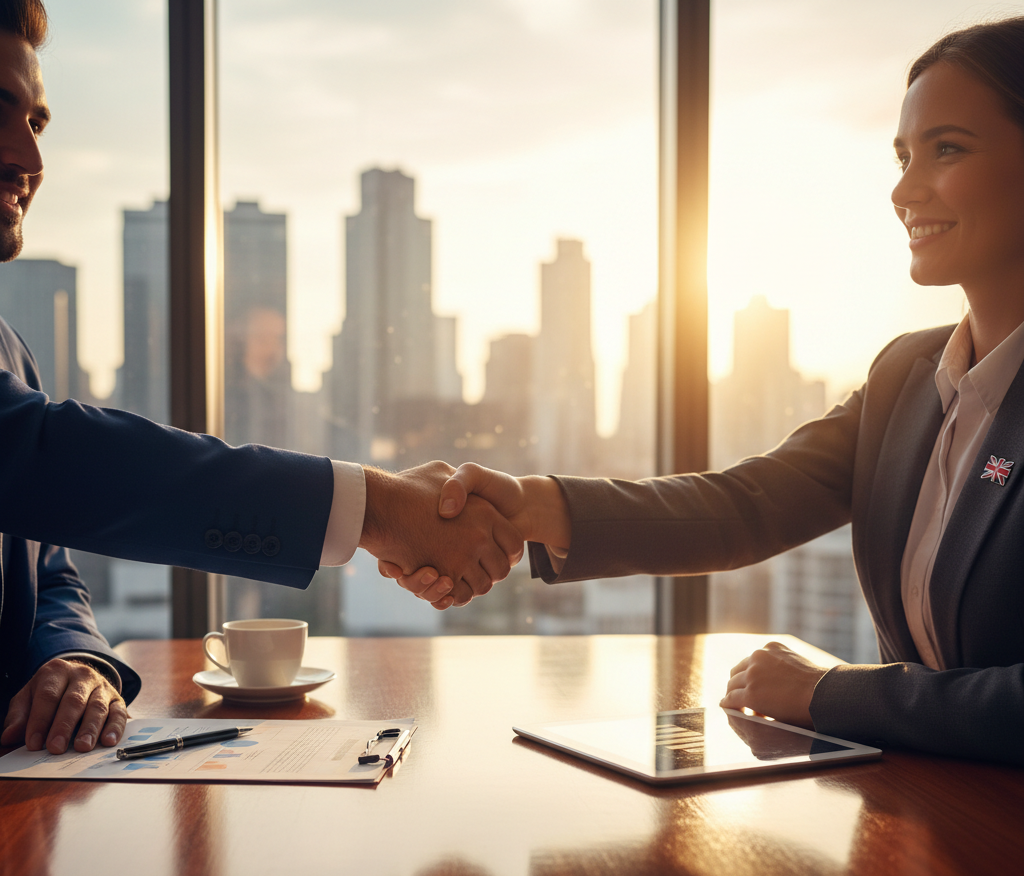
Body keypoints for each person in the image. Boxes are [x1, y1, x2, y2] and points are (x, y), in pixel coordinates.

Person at [385, 17, 1024, 766]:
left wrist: (829, 694)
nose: (904, 188)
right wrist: (531, 505)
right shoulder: (905, 380)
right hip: (913, 829)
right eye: (903, 155)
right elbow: (742, 507)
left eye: (947, 149)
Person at [0, 1, 521, 757]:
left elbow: (47, 568)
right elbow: (60, 461)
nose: (31, 158)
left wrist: (72, 660)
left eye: (38, 122)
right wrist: (374, 506)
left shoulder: (7, 349)